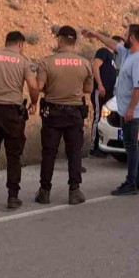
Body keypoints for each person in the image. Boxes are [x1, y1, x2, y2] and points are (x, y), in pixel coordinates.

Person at [0, 31, 40, 210]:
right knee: (14, 156)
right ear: (20, 44)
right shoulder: (23, 61)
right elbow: (33, 86)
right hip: (13, 114)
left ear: (6, 42)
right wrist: (34, 102)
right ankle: (13, 196)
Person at [83, 25, 139, 196]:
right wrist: (96, 33)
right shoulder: (129, 53)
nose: (123, 37)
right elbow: (113, 44)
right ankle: (138, 181)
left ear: (133, 38)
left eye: (126, 35)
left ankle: (131, 183)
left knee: (131, 146)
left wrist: (131, 109)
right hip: (125, 109)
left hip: (132, 111)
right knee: (132, 145)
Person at [34, 26, 94, 205]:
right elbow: (88, 89)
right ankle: (74, 191)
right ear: (74, 42)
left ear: (59, 40)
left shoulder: (46, 62)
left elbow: (39, 86)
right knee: (74, 153)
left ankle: (44, 191)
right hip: (75, 113)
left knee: (49, 153)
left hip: (53, 113)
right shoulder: (84, 63)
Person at [89, 35, 119, 159]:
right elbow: (95, 66)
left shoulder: (114, 60)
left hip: (109, 95)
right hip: (100, 92)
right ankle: (93, 147)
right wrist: (100, 84)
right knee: (97, 118)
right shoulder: (104, 52)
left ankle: (103, 146)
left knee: (104, 120)